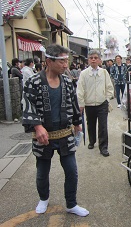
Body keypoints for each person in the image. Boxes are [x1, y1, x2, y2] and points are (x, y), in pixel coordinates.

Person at [21, 44, 89, 217]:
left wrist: (77, 123)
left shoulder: (67, 81)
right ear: (49, 61)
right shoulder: (33, 82)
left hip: (64, 133)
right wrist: (37, 126)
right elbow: (27, 106)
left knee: (72, 171)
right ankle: (43, 199)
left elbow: (73, 104)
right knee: (42, 172)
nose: (66, 65)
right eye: (62, 61)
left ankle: (71, 204)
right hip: (43, 136)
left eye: (67, 61)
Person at [77, 50, 114, 157]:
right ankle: (92, 141)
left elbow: (109, 87)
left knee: (103, 126)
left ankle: (103, 147)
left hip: (102, 103)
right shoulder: (84, 74)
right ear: (88, 60)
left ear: (99, 60)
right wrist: (81, 104)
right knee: (91, 124)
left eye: (95, 58)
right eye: (91, 58)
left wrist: (107, 99)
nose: (93, 59)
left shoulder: (104, 72)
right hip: (89, 105)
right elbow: (80, 90)